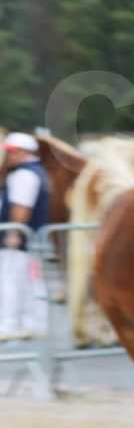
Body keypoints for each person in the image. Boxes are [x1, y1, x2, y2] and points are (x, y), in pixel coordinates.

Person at [1, 131, 51, 340]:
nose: (8, 157)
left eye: (11, 152)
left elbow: (21, 207)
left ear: (22, 152)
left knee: (10, 281)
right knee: (31, 283)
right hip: (30, 239)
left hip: (19, 239)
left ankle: (9, 325)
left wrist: (13, 232)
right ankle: (35, 325)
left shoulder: (24, 174)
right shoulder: (36, 171)